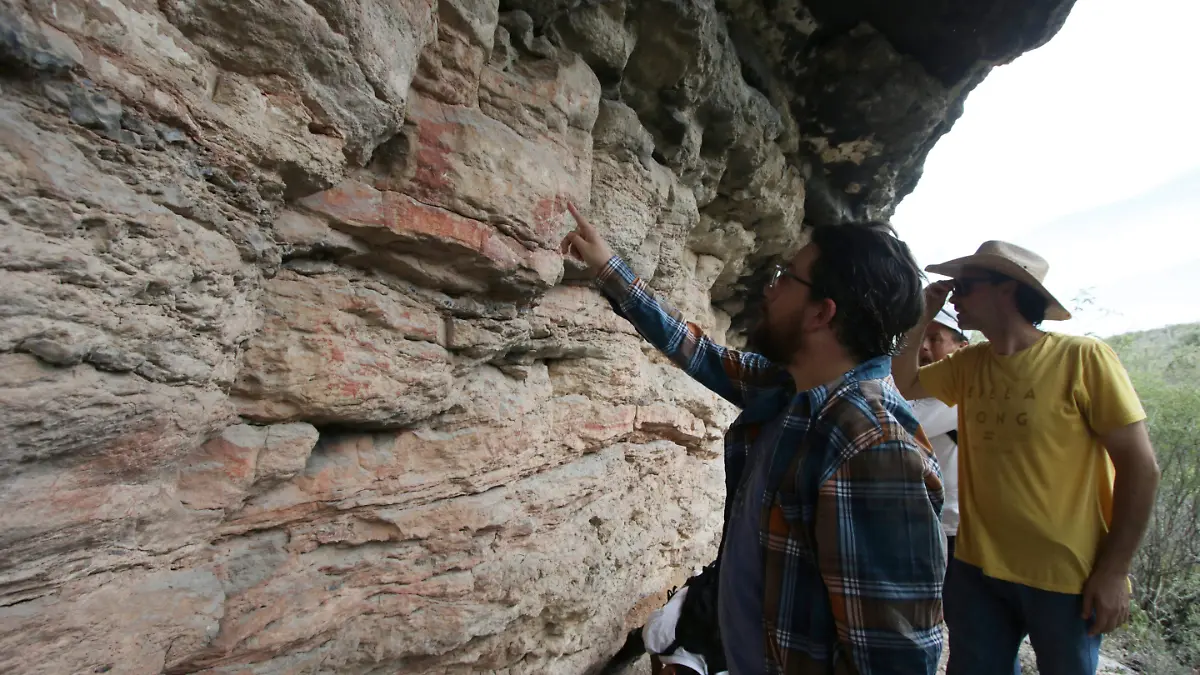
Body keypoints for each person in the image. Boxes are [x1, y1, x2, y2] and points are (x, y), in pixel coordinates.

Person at [562, 203, 945, 674]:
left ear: (821, 313)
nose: (769, 288)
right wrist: (609, 269)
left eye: (786, 278)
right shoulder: (793, 387)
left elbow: (894, 659)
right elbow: (698, 351)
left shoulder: (872, 444)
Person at [892, 241, 1161, 675]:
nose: (954, 296)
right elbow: (904, 383)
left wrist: (1114, 571)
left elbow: (1141, 468)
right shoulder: (970, 363)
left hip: (1065, 574)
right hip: (978, 567)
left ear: (1008, 288)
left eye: (966, 285)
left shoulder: (1082, 359)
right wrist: (921, 317)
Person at [909, 306, 970, 566]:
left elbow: (901, 427)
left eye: (934, 338)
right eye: (920, 337)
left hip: (951, 526)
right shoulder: (910, 392)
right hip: (918, 520)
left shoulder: (961, 396)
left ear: (962, 348)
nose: (923, 347)